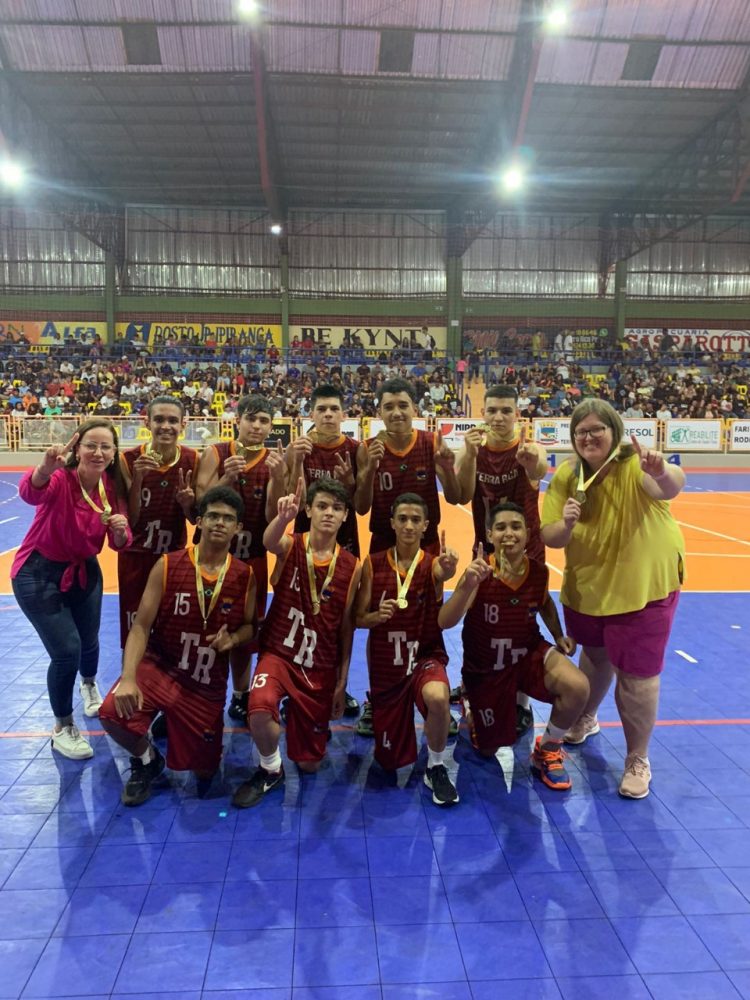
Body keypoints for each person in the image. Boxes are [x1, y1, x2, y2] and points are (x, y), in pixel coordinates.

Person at [541, 399, 686, 799]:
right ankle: (586, 718)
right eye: (581, 431)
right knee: (595, 654)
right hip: (589, 588)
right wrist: (566, 523)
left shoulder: (633, 465)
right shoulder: (568, 474)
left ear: (614, 431)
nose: (588, 437)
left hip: (643, 590)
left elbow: (669, 485)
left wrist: (661, 468)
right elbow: (550, 535)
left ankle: (637, 758)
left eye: (596, 429)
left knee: (637, 678)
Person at [99, 487, 256, 805]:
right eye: (212, 516)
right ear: (199, 521)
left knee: (204, 771)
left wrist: (234, 639)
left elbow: (250, 627)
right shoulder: (168, 564)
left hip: (203, 682)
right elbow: (140, 625)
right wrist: (128, 677)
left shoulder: (245, 575)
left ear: (238, 527)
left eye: (228, 518)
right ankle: (146, 760)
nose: (219, 523)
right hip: (161, 666)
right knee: (111, 711)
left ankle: (176, 724)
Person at [438, 503, 588, 790]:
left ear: (528, 533)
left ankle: (548, 750)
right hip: (486, 669)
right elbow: (445, 621)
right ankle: (470, 699)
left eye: (516, 526)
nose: (509, 533)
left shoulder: (539, 572)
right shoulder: (478, 572)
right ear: (489, 534)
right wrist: (468, 584)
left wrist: (557, 634)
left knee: (578, 686)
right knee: (487, 750)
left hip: (526, 654)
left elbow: (543, 601)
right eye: (502, 527)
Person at [232, 476, 361, 808]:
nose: (328, 513)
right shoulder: (293, 544)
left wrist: (342, 680)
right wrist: (283, 519)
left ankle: (297, 715)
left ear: (346, 515)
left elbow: (346, 627)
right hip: (279, 653)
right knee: (259, 707)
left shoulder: (352, 566)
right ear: (309, 510)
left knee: (309, 764)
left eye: (336, 508)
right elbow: (269, 540)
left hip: (318, 663)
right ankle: (270, 768)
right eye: (321, 506)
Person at [11, 419, 131, 760]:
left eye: (105, 446)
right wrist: (43, 470)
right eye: (90, 445)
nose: (98, 452)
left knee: (90, 639)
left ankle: (89, 684)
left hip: (83, 568)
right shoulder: (62, 478)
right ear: (77, 449)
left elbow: (119, 542)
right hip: (38, 572)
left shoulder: (111, 485)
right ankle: (62, 726)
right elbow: (30, 493)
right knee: (67, 651)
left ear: (113, 453)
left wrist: (120, 531)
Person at [354, 494, 459, 805]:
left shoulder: (432, 564)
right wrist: (376, 616)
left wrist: (450, 570)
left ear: (426, 525)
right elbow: (358, 619)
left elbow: (443, 574)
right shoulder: (372, 565)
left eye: (416, 520)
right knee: (389, 762)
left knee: (438, 697)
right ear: (392, 524)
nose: (409, 525)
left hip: (425, 658)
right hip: (388, 668)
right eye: (403, 519)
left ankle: (436, 767)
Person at [455, 385, 548, 734]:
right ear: (483, 413)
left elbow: (538, 466)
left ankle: (522, 702)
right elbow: (461, 494)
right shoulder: (475, 450)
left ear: (516, 414)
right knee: (477, 620)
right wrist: (466, 454)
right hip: (487, 549)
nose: (498, 417)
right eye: (492, 410)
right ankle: (470, 686)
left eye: (505, 411)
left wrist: (532, 462)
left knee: (523, 626)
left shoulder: (528, 449)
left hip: (527, 550)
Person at [195, 394, 287, 721]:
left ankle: (240, 693)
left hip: (252, 560)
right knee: (200, 625)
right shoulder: (215, 453)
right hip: (210, 559)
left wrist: (277, 477)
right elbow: (198, 506)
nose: (257, 426)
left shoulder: (276, 460)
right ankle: (194, 693)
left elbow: (273, 511)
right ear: (238, 421)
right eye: (251, 419)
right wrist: (226, 478)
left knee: (247, 630)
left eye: (264, 421)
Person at [117, 397, 198, 649]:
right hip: (136, 555)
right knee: (133, 629)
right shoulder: (127, 460)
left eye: (173, 420)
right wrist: (139, 480)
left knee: (170, 629)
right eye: (159, 419)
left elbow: (196, 519)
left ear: (183, 424)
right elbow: (131, 520)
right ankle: (129, 681)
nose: (166, 426)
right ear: (147, 422)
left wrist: (187, 504)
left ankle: (163, 685)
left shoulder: (193, 459)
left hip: (172, 558)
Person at [355, 377, 461, 556]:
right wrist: (370, 470)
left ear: (415, 409)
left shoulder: (432, 442)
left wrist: (449, 470)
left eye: (403, 405)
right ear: (379, 412)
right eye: (388, 407)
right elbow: (361, 508)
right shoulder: (367, 449)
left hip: (425, 542)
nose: (396, 413)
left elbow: (454, 498)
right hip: (384, 542)